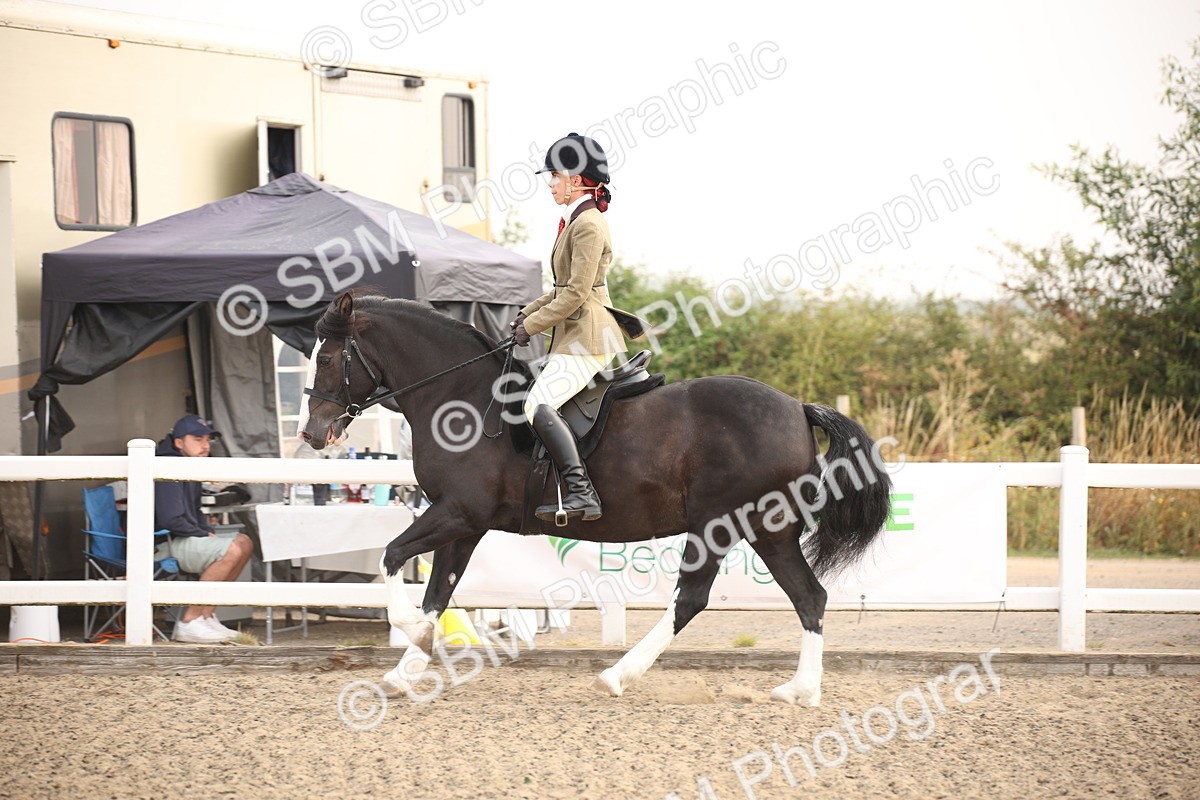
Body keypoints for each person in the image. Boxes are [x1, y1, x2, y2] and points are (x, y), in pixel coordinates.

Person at [511, 132, 633, 523]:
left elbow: (578, 293)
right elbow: (562, 288)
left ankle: (582, 493)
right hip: (575, 333)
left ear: (576, 179)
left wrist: (532, 326)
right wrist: (525, 314)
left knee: (536, 405)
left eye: (554, 177)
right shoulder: (575, 221)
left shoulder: (589, 225)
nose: (550, 184)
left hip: (589, 336)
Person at [154, 415, 254, 643]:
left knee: (244, 542)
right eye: (198, 439)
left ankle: (206, 616)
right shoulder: (167, 465)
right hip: (161, 544)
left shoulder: (191, 464)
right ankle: (190, 622)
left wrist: (205, 531)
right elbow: (170, 520)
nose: (206, 446)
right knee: (231, 550)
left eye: (208, 440)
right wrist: (201, 533)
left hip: (180, 539)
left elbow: (196, 513)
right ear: (179, 442)